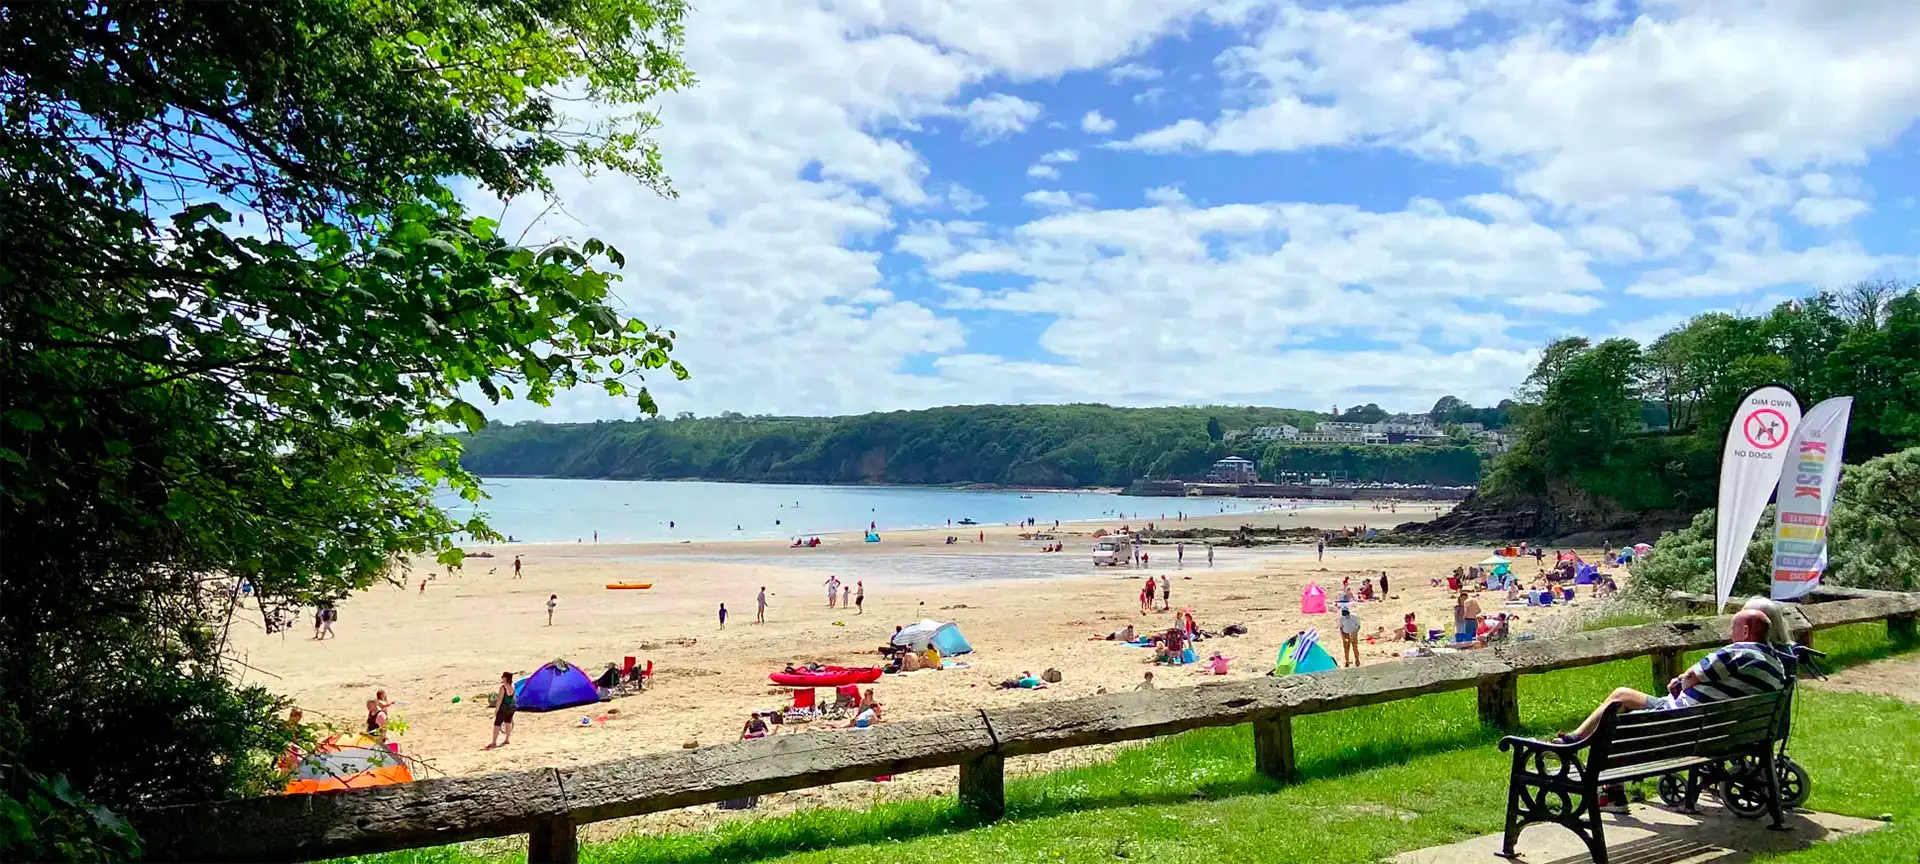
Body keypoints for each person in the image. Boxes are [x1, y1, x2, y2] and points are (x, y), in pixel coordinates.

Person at [1560, 610, 1785, 743]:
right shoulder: (1777, 663)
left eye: (1733, 628)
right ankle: (1575, 739)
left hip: (1685, 722)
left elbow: (1690, 678)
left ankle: (1574, 741)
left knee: (1621, 699)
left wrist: (1678, 683)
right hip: (1733, 731)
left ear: (1745, 632)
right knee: (1624, 700)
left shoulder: (1739, 652)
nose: (1730, 633)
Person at [487, 671, 515, 749]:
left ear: (505, 678)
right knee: (508, 722)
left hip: (504, 708)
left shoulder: (503, 687)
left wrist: (496, 709)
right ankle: (507, 739)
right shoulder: (512, 686)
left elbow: (499, 699)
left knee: (497, 724)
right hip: (512, 707)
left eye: (503, 677)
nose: (502, 678)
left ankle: (494, 742)